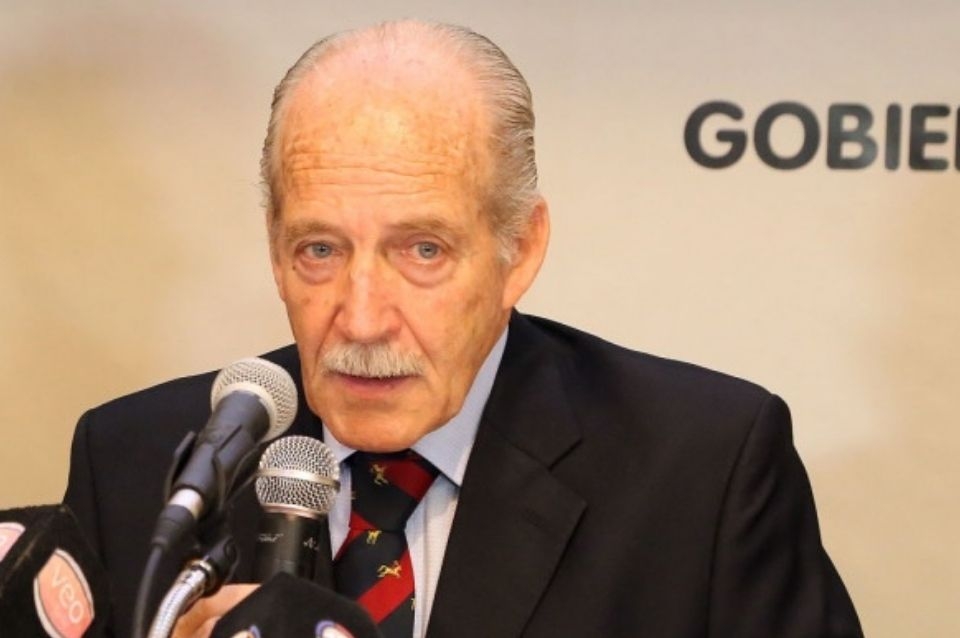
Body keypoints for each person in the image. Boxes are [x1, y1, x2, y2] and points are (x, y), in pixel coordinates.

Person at [63, 19, 863, 638]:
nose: (362, 319)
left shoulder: (703, 472)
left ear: (521, 250)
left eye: (423, 250)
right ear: (275, 250)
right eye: (320, 250)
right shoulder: (141, 470)